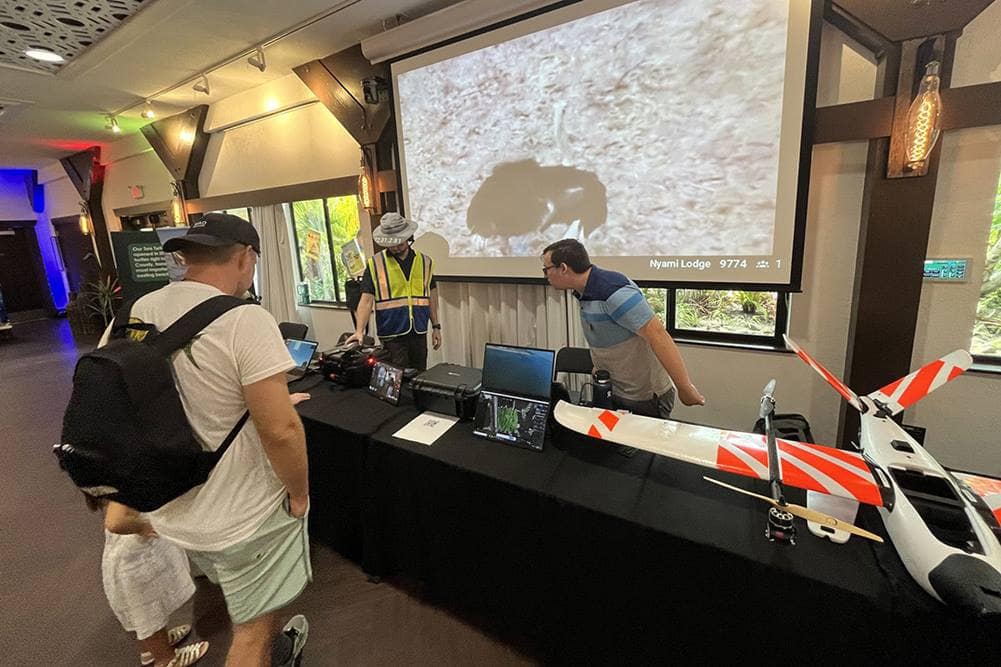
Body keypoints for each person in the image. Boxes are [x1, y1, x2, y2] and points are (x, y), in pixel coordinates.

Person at [103, 212, 312, 665]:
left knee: (235, 592)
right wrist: (300, 493)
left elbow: (130, 402)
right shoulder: (244, 318)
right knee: (252, 631)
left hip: (170, 509)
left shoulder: (130, 314)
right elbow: (281, 429)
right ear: (245, 257)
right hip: (241, 515)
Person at [541, 239, 705, 417]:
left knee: (639, 444)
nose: (545, 276)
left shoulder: (613, 292)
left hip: (643, 397)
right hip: (616, 390)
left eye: (546, 269)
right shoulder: (583, 291)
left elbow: (658, 336)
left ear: (563, 268)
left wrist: (684, 388)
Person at [87, 495, 209, 667]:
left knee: (148, 612)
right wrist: (142, 527)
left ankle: (152, 649)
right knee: (148, 613)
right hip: (134, 562)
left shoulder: (108, 484)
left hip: (131, 557)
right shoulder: (119, 484)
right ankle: (166, 659)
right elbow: (115, 522)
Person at [346, 212, 441, 370]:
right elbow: (366, 300)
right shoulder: (376, 263)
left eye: (400, 242)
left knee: (419, 375)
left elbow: (431, 296)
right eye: (391, 243)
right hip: (391, 333)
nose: (396, 247)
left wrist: (436, 327)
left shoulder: (425, 262)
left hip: (418, 331)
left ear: (408, 238)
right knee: (396, 378)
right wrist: (359, 330)